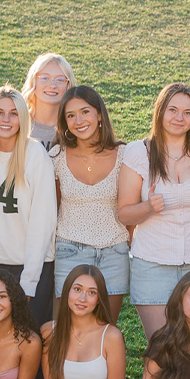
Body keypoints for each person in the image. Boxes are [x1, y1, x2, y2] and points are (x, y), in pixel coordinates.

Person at [119, 83, 190, 338]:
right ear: (160, 112)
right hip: (152, 263)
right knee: (160, 344)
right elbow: (123, 212)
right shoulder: (139, 152)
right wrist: (148, 206)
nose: (180, 118)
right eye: (173, 110)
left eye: (187, 112)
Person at [0, 85, 59, 323]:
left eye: (14, 113)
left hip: (31, 267)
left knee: (29, 342)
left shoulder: (35, 156)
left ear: (23, 118)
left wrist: (29, 281)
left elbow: (42, 224)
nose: (6, 119)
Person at [53, 85, 130, 318]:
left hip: (114, 254)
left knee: (104, 329)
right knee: (63, 331)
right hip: (69, 252)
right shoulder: (56, 156)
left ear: (99, 114)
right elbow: (52, 210)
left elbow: (131, 208)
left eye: (85, 112)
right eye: (70, 115)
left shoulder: (125, 155)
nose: (79, 120)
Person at [23, 52, 76, 145]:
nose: (52, 85)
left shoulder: (75, 126)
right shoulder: (18, 123)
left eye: (60, 79)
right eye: (44, 78)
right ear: (33, 82)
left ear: (68, 85)